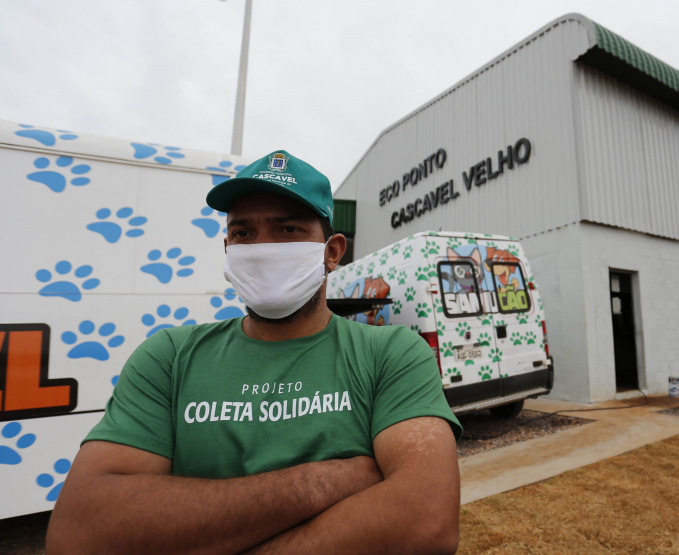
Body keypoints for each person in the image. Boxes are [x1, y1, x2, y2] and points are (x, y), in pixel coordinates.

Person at [46, 150, 463, 554]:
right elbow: (80, 533)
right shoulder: (169, 357)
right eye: (244, 232)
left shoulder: (391, 353)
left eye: (288, 230)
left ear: (332, 252)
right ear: (228, 249)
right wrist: (323, 481)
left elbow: (425, 521)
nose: (262, 249)